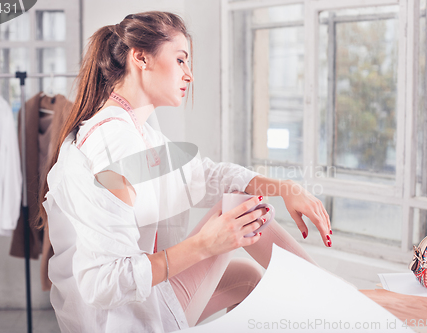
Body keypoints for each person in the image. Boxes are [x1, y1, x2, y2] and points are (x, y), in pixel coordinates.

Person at [37, 11, 332, 333]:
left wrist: (286, 187)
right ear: (141, 58)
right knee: (240, 204)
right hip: (120, 320)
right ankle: (337, 302)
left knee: (247, 278)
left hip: (137, 304)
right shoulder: (114, 141)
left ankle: (330, 299)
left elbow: (201, 176)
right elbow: (104, 282)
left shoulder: (135, 130)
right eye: (180, 60)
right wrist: (205, 244)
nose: (189, 75)